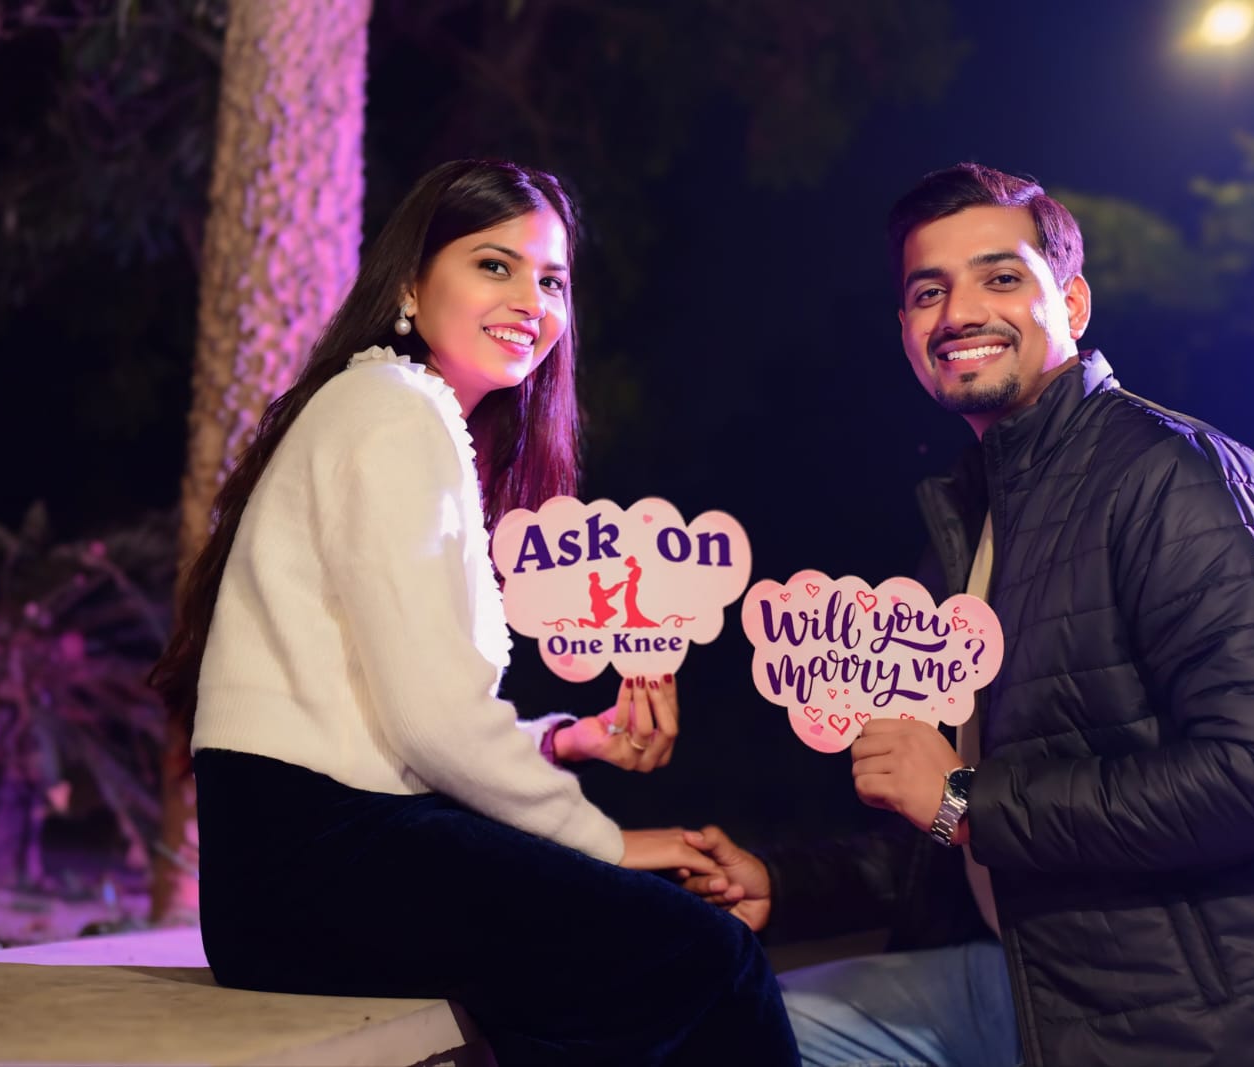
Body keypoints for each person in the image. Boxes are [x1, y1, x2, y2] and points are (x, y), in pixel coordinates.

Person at [685, 163, 1254, 1067]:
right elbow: (954, 824)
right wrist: (784, 882)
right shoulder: (967, 526)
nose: (960, 312)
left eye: (1001, 277)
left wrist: (965, 799)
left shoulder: (1176, 473)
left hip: (1184, 1018)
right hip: (1024, 972)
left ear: (1073, 303)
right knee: (732, 1028)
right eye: (929, 291)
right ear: (906, 331)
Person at [149, 158, 799, 1066]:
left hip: (309, 863)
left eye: (552, 280)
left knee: (624, 974)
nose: (531, 300)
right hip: (317, 864)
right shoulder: (391, 413)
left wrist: (563, 741)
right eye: (495, 265)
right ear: (410, 285)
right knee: (710, 956)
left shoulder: (398, 411)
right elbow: (430, 724)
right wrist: (608, 845)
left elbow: (386, 721)